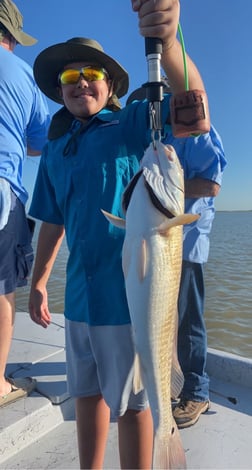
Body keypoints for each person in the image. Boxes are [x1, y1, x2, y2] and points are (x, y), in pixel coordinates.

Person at [28, 1, 209, 467]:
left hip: (129, 301)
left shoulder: (131, 126)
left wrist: (169, 43)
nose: (81, 82)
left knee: (133, 406)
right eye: (70, 78)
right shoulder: (54, 149)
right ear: (59, 90)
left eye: (91, 73)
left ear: (111, 88)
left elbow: (194, 112)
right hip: (80, 304)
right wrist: (40, 281)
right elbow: (53, 218)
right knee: (85, 395)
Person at [126, 80, 227, 429]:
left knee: (187, 321)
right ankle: (164, 382)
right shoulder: (148, 142)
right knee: (151, 319)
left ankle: (197, 391)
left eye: (152, 110)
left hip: (184, 242)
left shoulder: (193, 133)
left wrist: (163, 193)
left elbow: (211, 184)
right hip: (148, 240)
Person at [0, 0, 50, 406]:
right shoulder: (22, 74)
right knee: (2, 289)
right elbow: (40, 143)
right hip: (3, 189)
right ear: (11, 37)